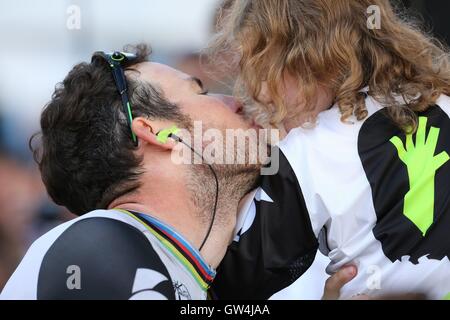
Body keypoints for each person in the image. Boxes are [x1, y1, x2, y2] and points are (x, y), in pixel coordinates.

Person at [1, 45, 347, 300]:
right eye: (203, 91)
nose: (237, 101)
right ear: (155, 132)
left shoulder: (180, 270)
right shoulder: (96, 245)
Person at [208, 0, 450, 299]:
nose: (261, 92)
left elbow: (231, 288)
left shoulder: (307, 151)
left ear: (312, 59)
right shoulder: (444, 96)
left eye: (265, 69)